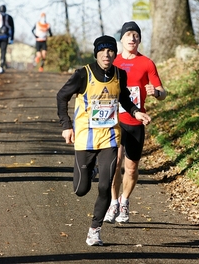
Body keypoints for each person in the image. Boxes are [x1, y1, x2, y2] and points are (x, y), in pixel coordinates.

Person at [56, 35, 151, 246]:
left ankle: (94, 230)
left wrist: (136, 113)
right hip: (85, 138)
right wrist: (66, 126)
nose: (106, 54)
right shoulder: (83, 74)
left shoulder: (120, 74)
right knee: (81, 189)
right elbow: (61, 96)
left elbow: (124, 97)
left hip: (110, 136)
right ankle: (90, 170)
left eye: (110, 51)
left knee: (106, 185)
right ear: (96, 53)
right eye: (102, 51)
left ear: (114, 54)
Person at [103, 21, 167, 224]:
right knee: (115, 164)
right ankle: (113, 202)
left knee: (131, 168)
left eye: (136, 35)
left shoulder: (147, 63)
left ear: (139, 39)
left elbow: (162, 92)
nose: (132, 38)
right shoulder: (112, 63)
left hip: (135, 122)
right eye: (128, 34)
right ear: (121, 39)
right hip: (114, 121)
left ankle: (124, 200)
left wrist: (155, 92)